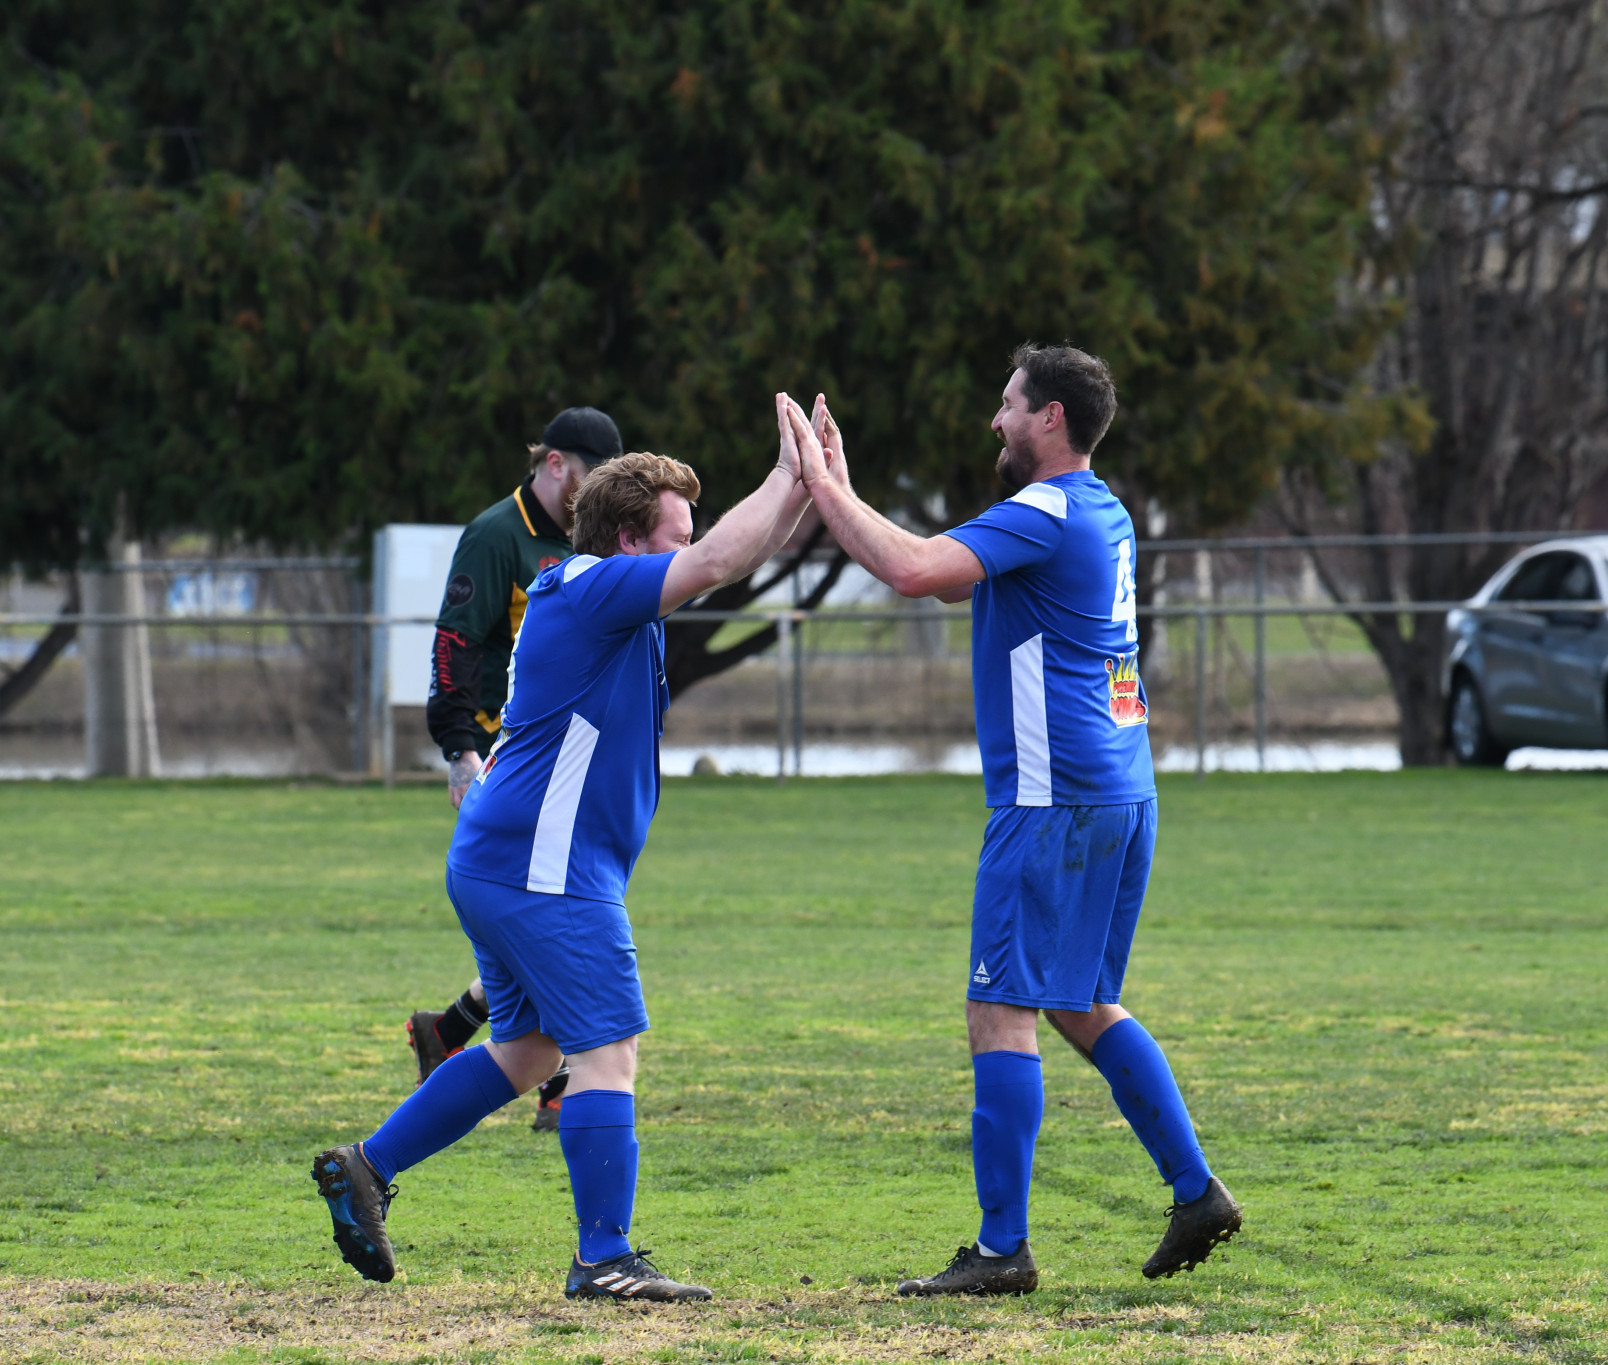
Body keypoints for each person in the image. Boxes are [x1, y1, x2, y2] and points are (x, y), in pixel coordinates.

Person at [315, 399, 814, 1301]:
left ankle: (367, 1166)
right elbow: (717, 561)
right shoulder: (592, 587)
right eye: (672, 533)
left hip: (507, 859)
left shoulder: (597, 591)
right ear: (628, 542)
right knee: (609, 1045)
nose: (688, 548)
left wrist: (810, 483)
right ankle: (603, 1257)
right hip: (544, 869)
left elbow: (730, 555)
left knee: (532, 1049)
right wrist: (786, 475)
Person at [782, 346, 1242, 1295]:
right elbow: (949, 575)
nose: (994, 421)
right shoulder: (1096, 509)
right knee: (1078, 1001)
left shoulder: (1044, 508)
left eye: (1007, 405)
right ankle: (1197, 1193)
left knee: (1000, 1007)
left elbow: (909, 572)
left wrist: (818, 483)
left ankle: (1002, 1249)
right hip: (1120, 789)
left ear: (1051, 420)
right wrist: (849, 488)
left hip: (1051, 800)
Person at [410, 406, 623, 1131]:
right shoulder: (497, 534)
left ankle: (451, 1030)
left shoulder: (586, 539)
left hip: (562, 768)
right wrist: (459, 750)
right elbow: (453, 644)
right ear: (556, 463)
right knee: (557, 914)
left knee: (554, 913)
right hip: (507, 764)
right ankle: (561, 1077)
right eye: (597, 476)